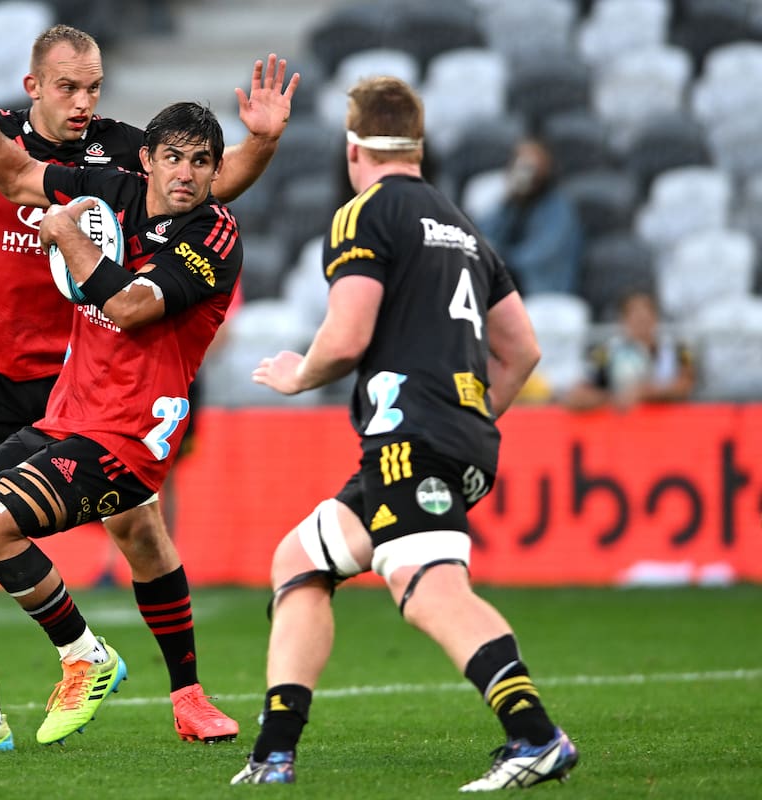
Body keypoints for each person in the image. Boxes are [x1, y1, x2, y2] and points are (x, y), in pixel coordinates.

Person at [0, 10, 297, 749]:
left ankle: (185, 692)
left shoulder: (124, 153)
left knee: (137, 528)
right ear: (34, 86)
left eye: (95, 87)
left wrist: (263, 141)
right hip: (1, 374)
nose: (84, 102)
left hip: (96, 377)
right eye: (70, 88)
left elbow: (209, 181)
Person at [231, 76, 579, 791]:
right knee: (299, 559)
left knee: (426, 587)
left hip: (408, 435)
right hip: (454, 430)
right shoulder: (463, 225)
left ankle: (535, 736)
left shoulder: (365, 213)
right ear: (418, 147)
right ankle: (273, 752)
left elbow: (348, 333)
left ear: (352, 147)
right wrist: (470, 417)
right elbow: (523, 349)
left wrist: (300, 374)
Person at [0, 50, 242, 752]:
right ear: (145, 160)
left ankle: (88, 655)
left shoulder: (214, 234)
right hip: (68, 417)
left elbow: (128, 307)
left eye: (203, 163)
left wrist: (64, 234)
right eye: (174, 159)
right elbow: (17, 173)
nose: (187, 174)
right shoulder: (108, 191)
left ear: (217, 172)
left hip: (128, 440)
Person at [477, 137, 584, 298]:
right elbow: (482, 234)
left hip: (545, 291)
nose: (525, 170)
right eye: (520, 163)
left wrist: (502, 258)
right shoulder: (510, 205)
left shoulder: (560, 209)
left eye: (532, 165)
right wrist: (509, 198)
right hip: (506, 286)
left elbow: (542, 254)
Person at [563, 289, 696, 411]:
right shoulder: (606, 352)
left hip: (670, 427)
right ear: (623, 321)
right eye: (636, 318)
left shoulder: (678, 348)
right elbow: (575, 397)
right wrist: (615, 397)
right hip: (621, 430)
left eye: (646, 317)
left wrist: (643, 393)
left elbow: (686, 386)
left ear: (656, 318)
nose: (642, 325)